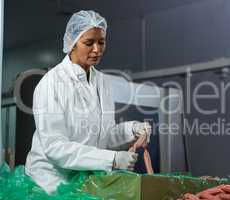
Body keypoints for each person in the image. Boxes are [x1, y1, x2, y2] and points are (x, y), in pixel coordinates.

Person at [25, 10, 151, 194]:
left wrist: (132, 130)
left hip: (85, 180)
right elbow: (55, 147)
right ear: (72, 43)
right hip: (51, 184)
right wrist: (113, 159)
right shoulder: (51, 83)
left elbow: (103, 136)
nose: (97, 49)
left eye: (101, 42)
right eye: (89, 43)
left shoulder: (102, 82)